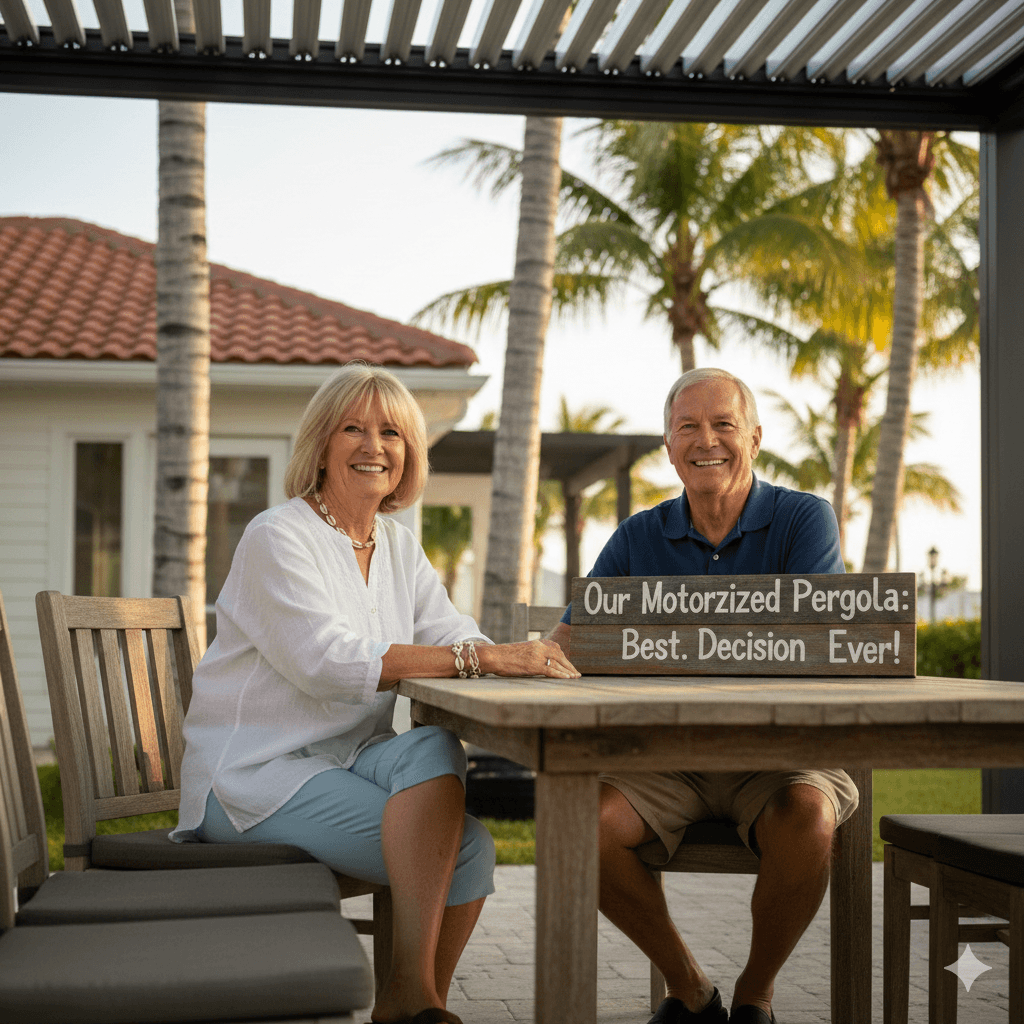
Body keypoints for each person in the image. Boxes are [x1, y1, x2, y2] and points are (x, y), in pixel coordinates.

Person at [171, 363, 580, 1024]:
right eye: (353, 429)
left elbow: (452, 632)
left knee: (433, 748)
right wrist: (484, 658)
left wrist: (517, 658)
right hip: (252, 776)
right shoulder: (278, 537)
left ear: (409, 453)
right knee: (468, 851)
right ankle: (415, 1001)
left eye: (391, 432)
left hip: (345, 758)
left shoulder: (395, 544)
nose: (374, 446)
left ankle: (408, 1000)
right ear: (321, 445)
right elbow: (327, 663)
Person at [547, 367, 859, 1024]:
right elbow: (572, 635)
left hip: (780, 751)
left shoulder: (805, 519)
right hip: (670, 755)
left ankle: (754, 994)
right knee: (582, 823)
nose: (706, 440)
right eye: (688, 426)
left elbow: (817, 637)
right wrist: (517, 658)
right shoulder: (638, 535)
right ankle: (689, 987)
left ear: (754, 436)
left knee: (808, 816)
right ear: (668, 445)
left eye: (723, 424)